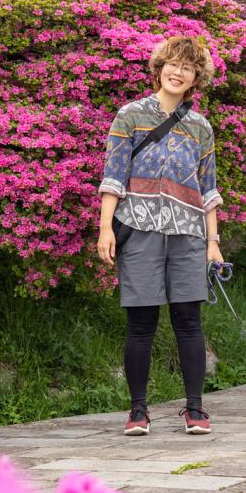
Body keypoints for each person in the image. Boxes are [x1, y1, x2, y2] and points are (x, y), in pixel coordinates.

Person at [96, 35, 224, 436]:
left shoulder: (201, 127)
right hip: (138, 229)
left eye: (187, 67)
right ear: (159, 68)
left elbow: (209, 189)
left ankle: (195, 409)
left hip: (187, 234)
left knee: (189, 321)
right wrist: (105, 229)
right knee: (141, 323)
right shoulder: (130, 115)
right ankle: (137, 411)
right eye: (172, 64)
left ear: (195, 78)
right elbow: (113, 176)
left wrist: (213, 243)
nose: (178, 72)